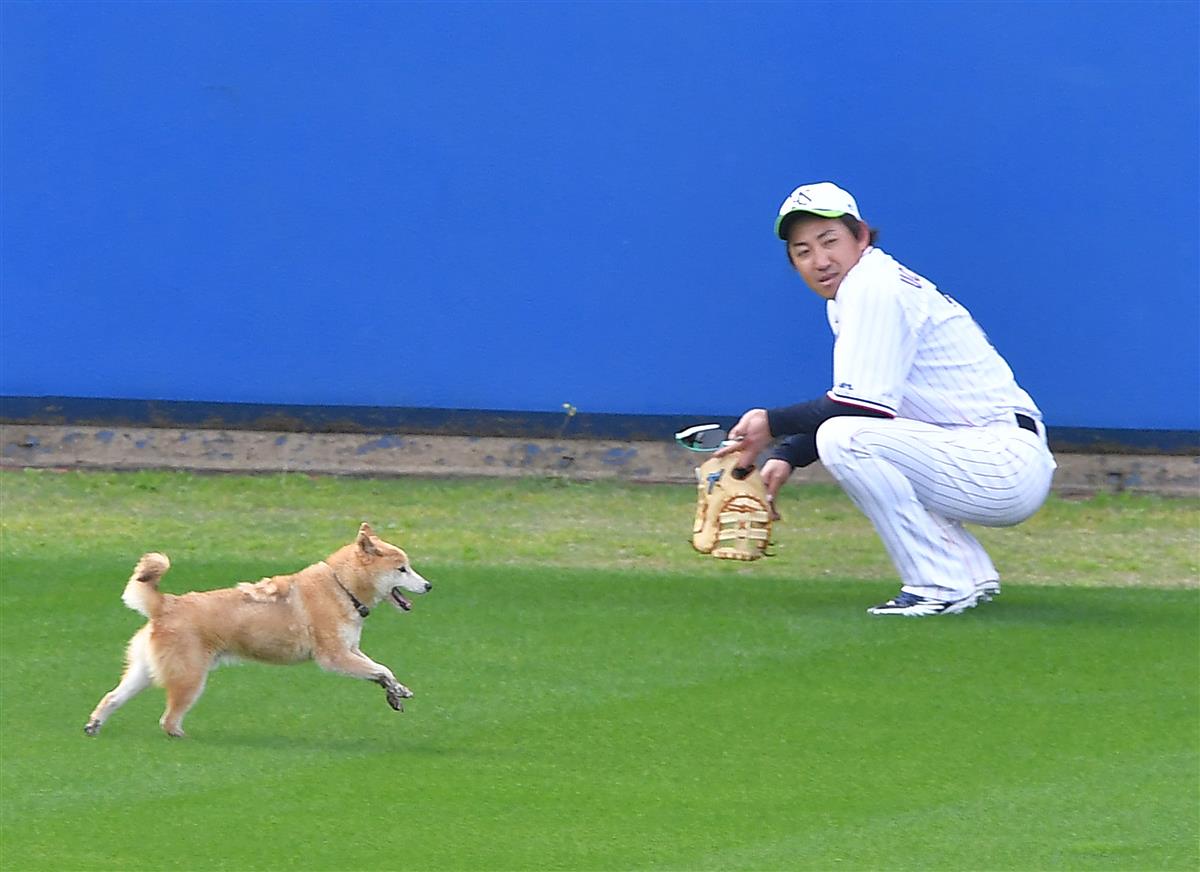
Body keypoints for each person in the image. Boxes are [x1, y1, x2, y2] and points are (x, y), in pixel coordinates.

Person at [715, 182, 1056, 616]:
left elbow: (858, 410)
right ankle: (966, 574)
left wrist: (771, 424)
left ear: (860, 236)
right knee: (848, 435)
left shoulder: (872, 286)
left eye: (829, 241)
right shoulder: (864, 287)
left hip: (998, 462)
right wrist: (789, 453)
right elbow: (873, 402)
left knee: (845, 439)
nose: (819, 261)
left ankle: (938, 583)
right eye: (802, 251)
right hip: (987, 452)